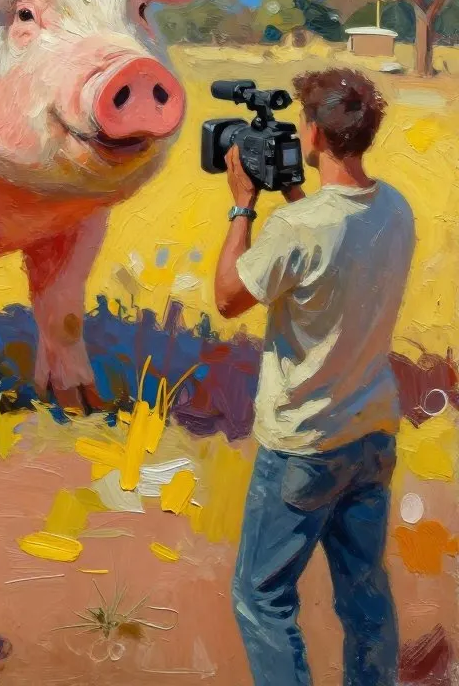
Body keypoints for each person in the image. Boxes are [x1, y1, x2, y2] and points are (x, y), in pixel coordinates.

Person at [214, 67, 415, 686]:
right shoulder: (395, 209)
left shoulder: (294, 231)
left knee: (262, 596)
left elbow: (227, 296)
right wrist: (295, 199)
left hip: (303, 447)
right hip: (372, 433)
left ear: (314, 136)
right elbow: (332, 252)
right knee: (364, 592)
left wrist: (242, 206)